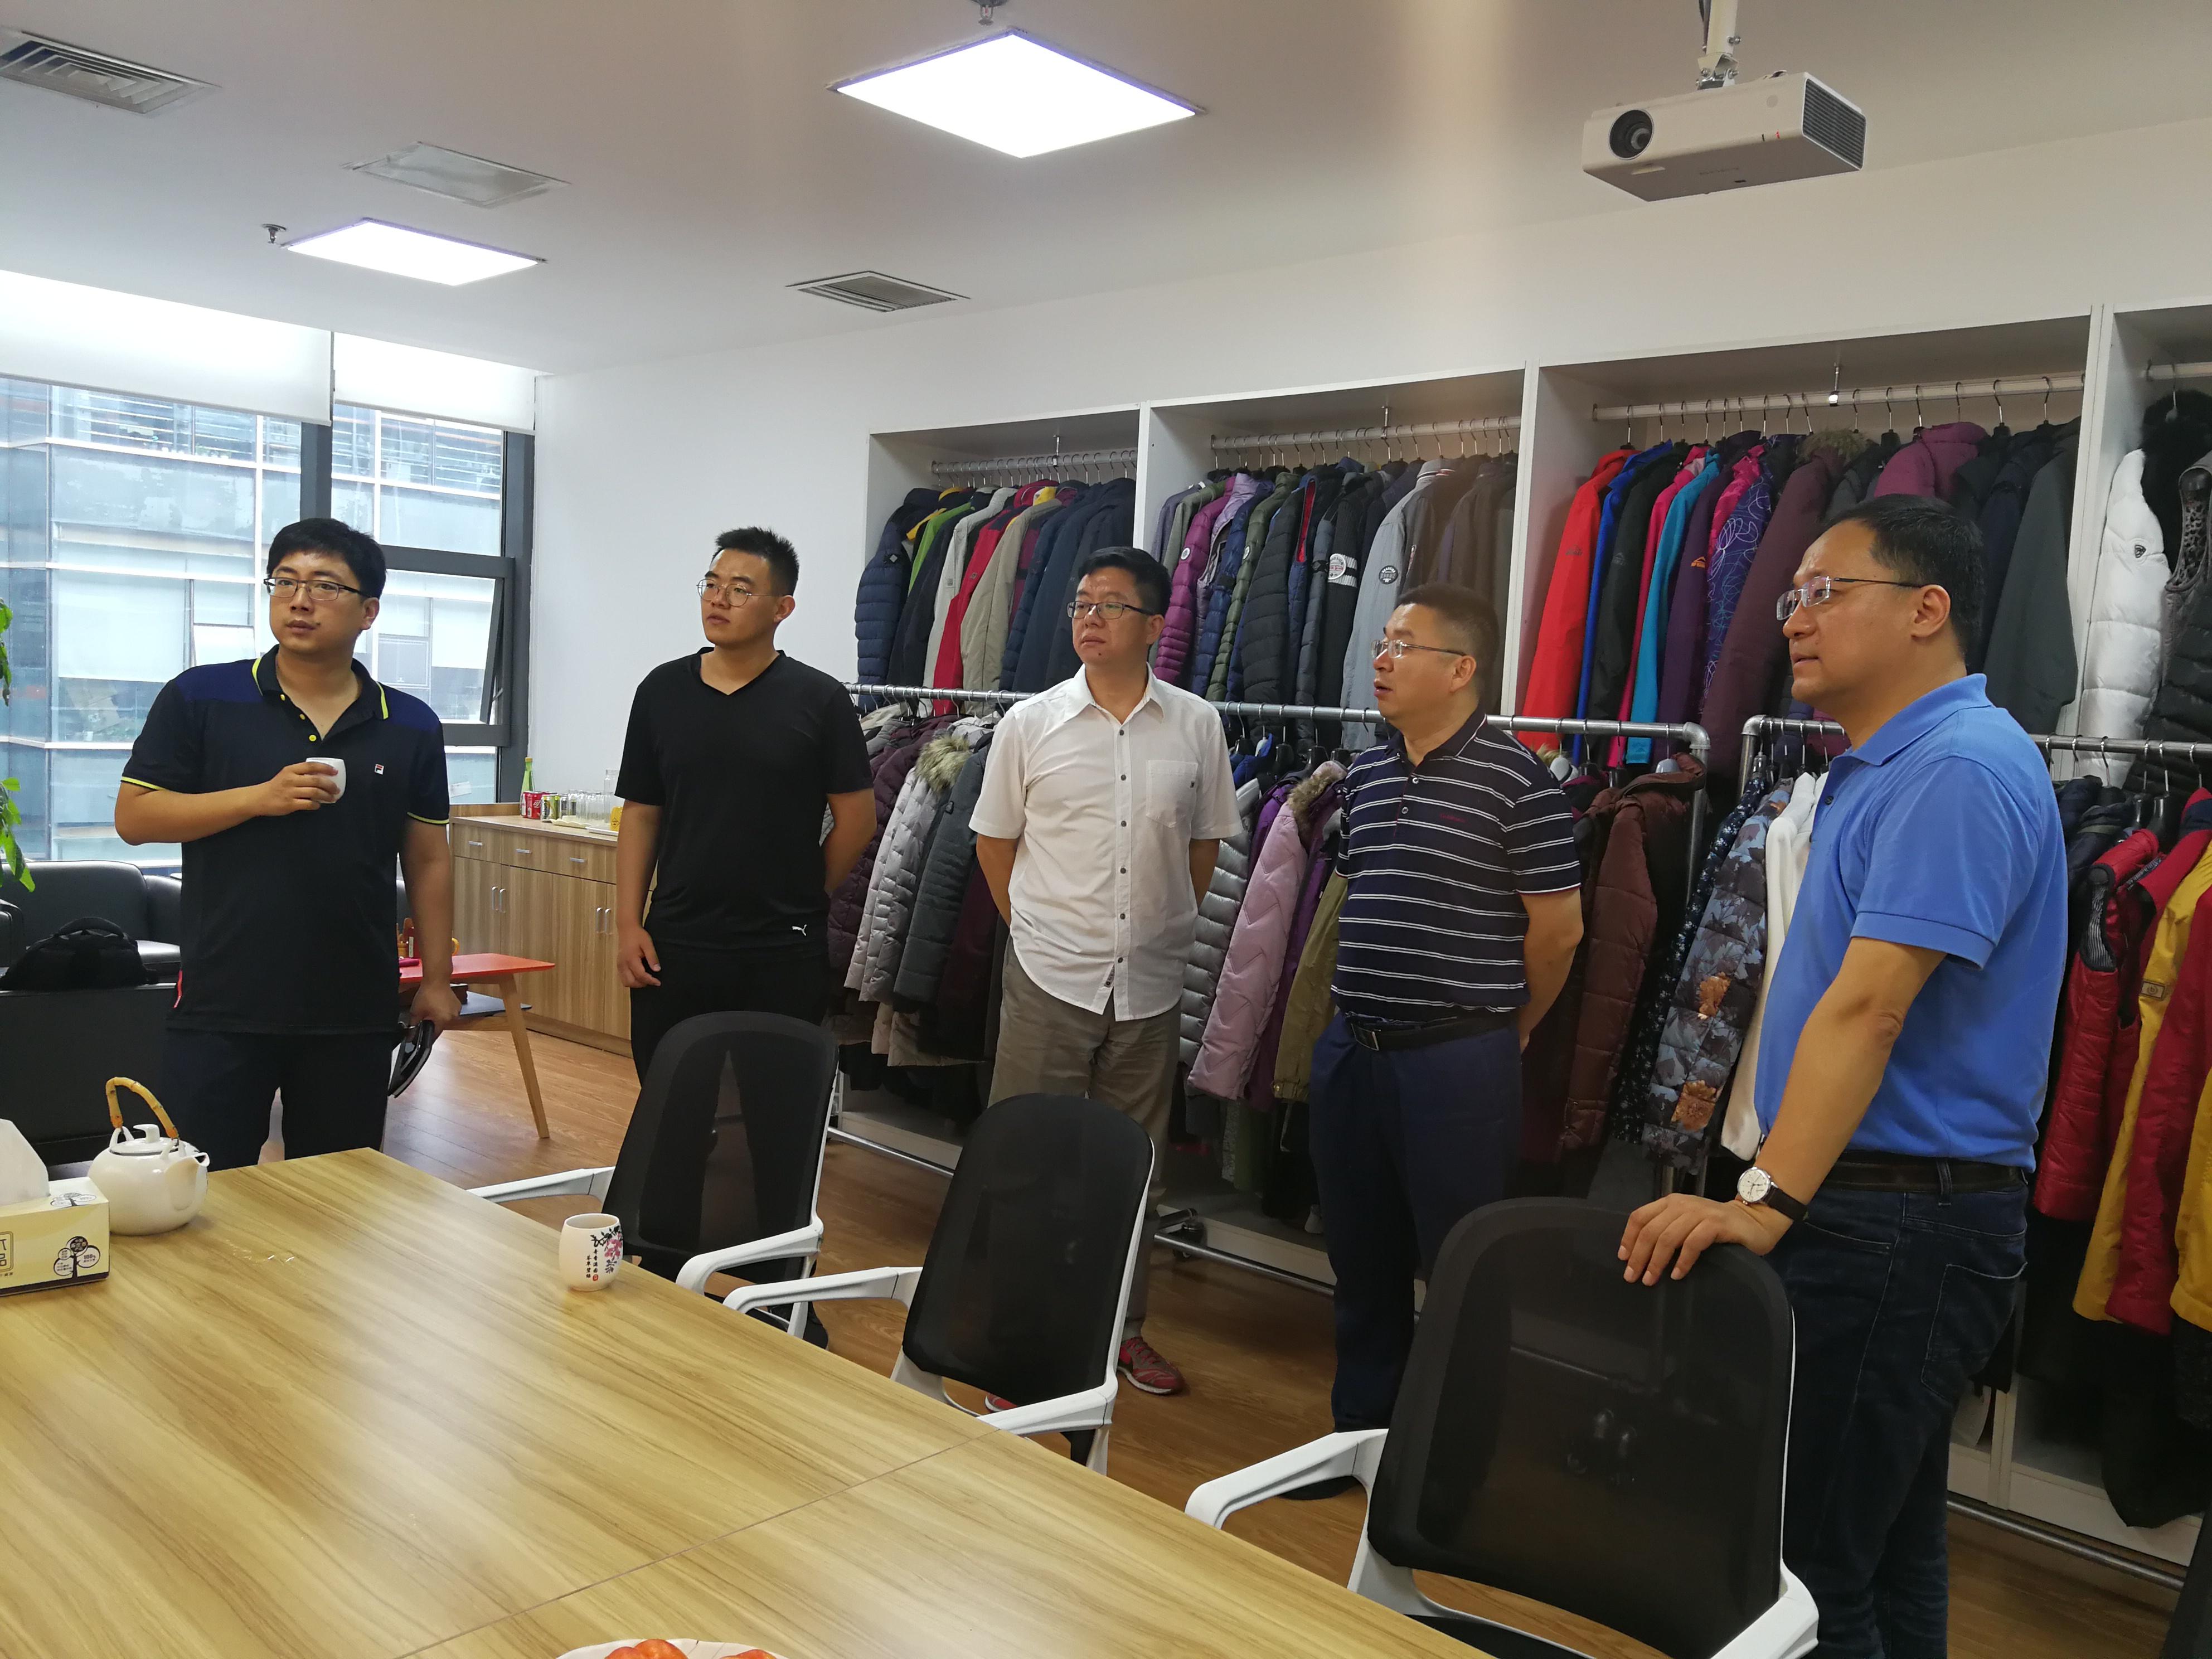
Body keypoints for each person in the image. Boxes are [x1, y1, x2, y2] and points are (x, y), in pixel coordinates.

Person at [1618, 495, 2065, 1658]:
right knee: (1878, 1556)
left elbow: (1869, 1010)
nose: (1793, 619)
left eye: (1826, 592)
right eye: (1791, 596)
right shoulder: (1881, 766)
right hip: (1882, 1209)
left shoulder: (1956, 767)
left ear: (1926, 610)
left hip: (1896, 1221)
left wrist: (1761, 1200)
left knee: (1797, 1577)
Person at [1307, 582, 1584, 1445]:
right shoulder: (1365, 772)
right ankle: (1363, 1432)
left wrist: (1514, 1025)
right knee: (1361, 1255)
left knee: (1464, 1259)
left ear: (1462, 669)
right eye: (1382, 644)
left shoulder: (1519, 781)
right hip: (1355, 1047)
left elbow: (1559, 932)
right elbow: (1361, 893)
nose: (1381, 660)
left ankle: (1453, 1455)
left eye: (1403, 646)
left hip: (1458, 1060)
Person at [971, 546, 1242, 1396]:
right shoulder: (1030, 724)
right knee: (1029, 1163)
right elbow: (994, 843)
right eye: (1082, 603)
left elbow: (1202, 846)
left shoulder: (1197, 725)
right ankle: (1015, 1342)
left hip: (1151, 985)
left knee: (1131, 1170)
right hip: (1050, 975)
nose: (1089, 617)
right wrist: (1031, 928)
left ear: (1155, 626)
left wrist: (1160, 930)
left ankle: (1120, 1332)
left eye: (1111, 605)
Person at [114, 518, 458, 1171]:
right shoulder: (202, 696)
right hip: (223, 999)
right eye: (285, 582)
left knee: (339, 1194)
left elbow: (427, 857)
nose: (300, 601)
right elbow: (136, 817)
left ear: (368, 612)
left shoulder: (410, 724)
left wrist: (437, 980)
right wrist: (259, 798)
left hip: (353, 1005)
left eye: (325, 586)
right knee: (204, 1187)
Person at [614, 526, 874, 1080]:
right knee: (673, 1105)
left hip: (782, 949)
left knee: (774, 1109)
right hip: (677, 942)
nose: (718, 599)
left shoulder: (820, 700)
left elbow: (857, 820)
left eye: (740, 589)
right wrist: (628, 925)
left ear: (782, 608)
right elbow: (641, 813)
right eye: (711, 584)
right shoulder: (661, 691)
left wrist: (806, 893)